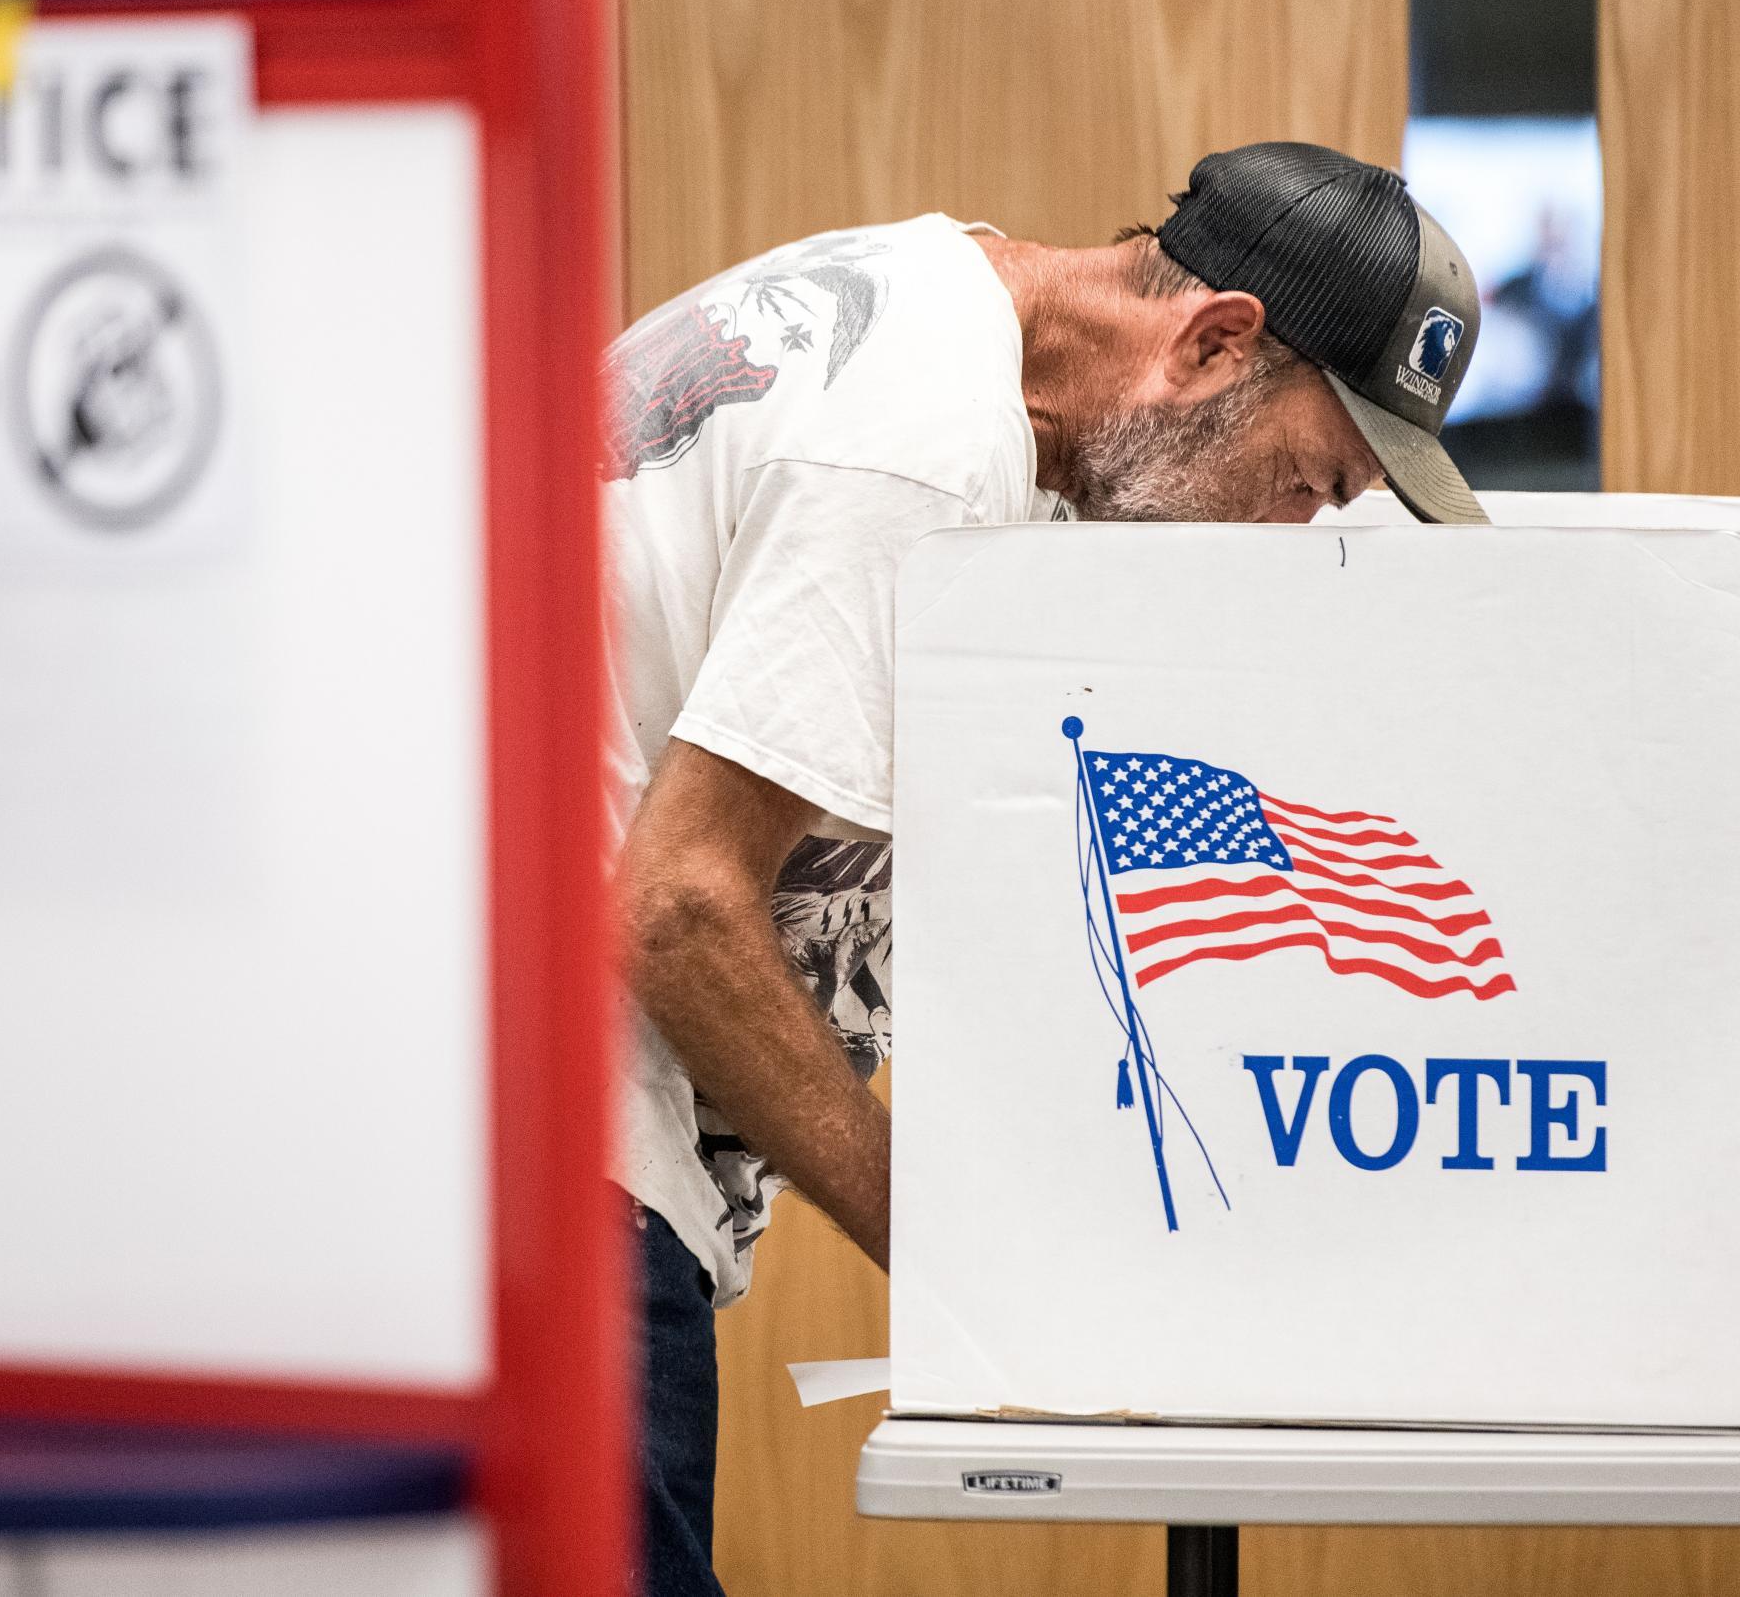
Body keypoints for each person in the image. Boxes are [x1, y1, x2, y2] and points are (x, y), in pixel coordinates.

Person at [605, 140, 1485, 1595]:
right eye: (1305, 486)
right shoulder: (917, 461)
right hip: (530, 1142)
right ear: (1211, 345)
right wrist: (972, 1268)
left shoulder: (935, 306)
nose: (1287, 540)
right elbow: (679, 904)